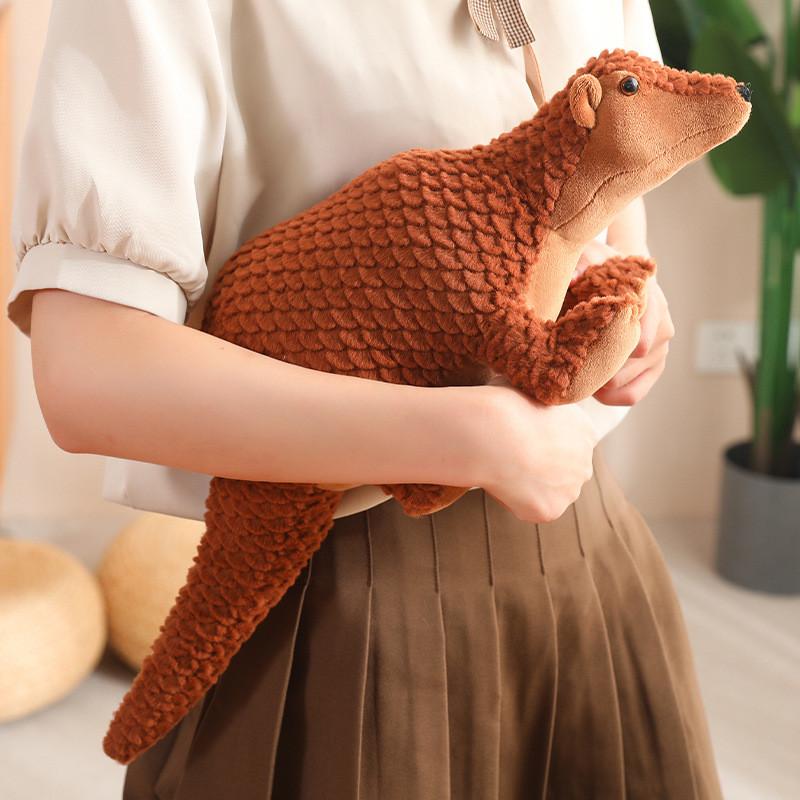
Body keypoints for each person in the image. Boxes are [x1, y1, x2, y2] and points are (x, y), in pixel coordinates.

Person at [7, 1, 722, 798]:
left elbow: (615, 210)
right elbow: (88, 372)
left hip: (593, 564)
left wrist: (632, 303)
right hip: (341, 611)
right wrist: (466, 437)